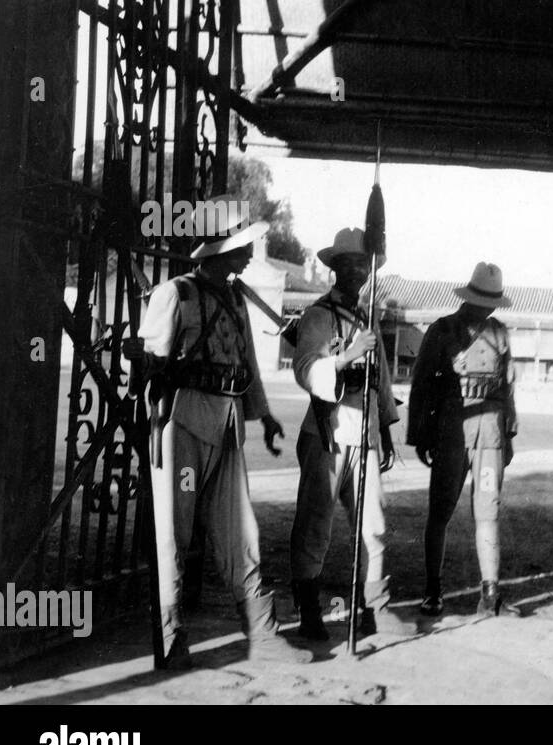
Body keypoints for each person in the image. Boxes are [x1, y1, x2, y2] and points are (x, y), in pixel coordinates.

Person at [124, 194, 312, 669]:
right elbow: (152, 368)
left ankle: (261, 631)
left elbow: (246, 361)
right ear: (220, 249)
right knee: (173, 529)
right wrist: (144, 361)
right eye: (243, 246)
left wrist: (264, 416)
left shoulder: (234, 299)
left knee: (239, 528)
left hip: (226, 423)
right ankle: (170, 635)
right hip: (180, 423)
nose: (250, 253)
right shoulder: (176, 294)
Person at [288, 227, 419, 641]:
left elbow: (379, 382)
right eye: (349, 265)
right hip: (327, 431)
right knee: (315, 526)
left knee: (373, 525)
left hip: (363, 435)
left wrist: (384, 432)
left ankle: (373, 607)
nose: (358, 272)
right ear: (335, 268)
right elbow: (307, 369)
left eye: (364, 265)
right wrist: (346, 356)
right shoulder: (318, 316)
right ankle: (309, 612)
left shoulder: (368, 320)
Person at [407, 262, 520, 618]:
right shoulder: (442, 331)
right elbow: (422, 384)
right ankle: (432, 591)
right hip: (452, 431)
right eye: (481, 300)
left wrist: (509, 434)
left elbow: (507, 388)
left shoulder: (499, 334)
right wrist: (421, 435)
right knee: (440, 512)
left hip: (489, 433)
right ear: (468, 296)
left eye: (491, 302)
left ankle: (489, 597)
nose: (486, 308)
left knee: (488, 511)